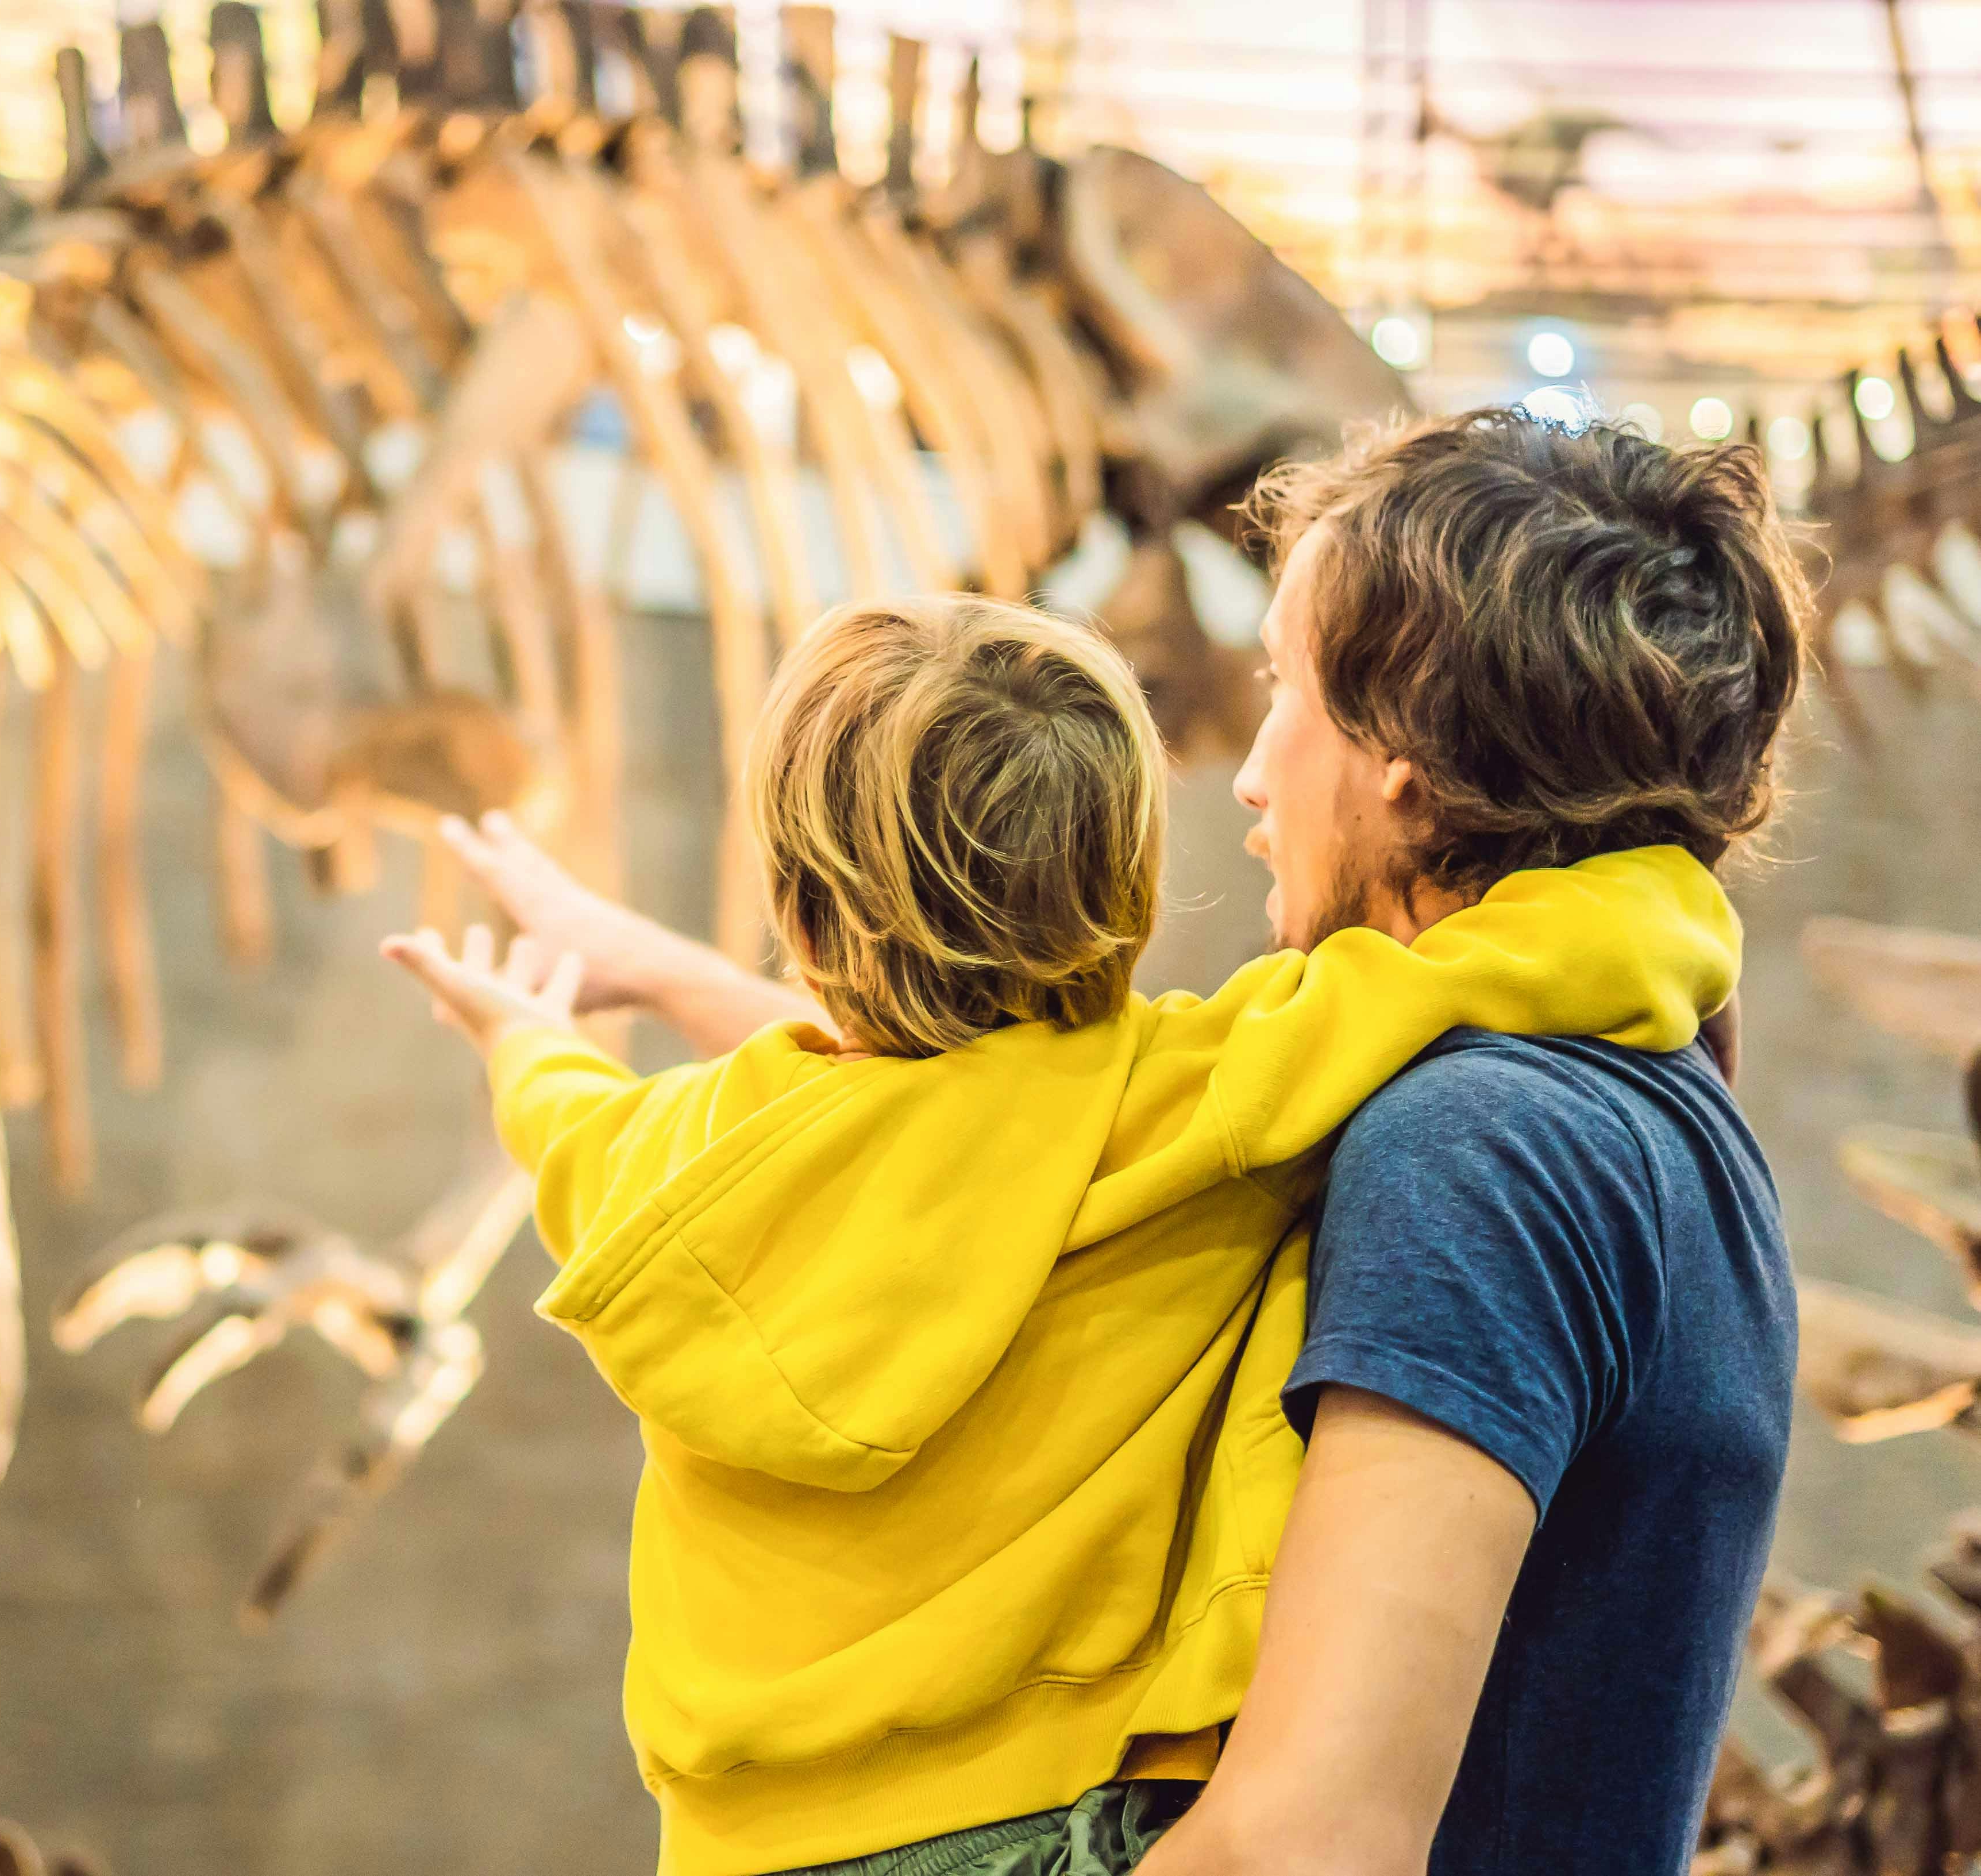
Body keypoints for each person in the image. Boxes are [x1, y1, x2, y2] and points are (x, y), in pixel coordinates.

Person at [429, 407, 1805, 1875]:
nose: (1248, 774)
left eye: (1285, 687)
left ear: (1401, 754)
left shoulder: (1481, 1148)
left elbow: (1306, 1847)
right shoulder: (1624, 1103)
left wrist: (548, 1041)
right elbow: (1008, 1128)